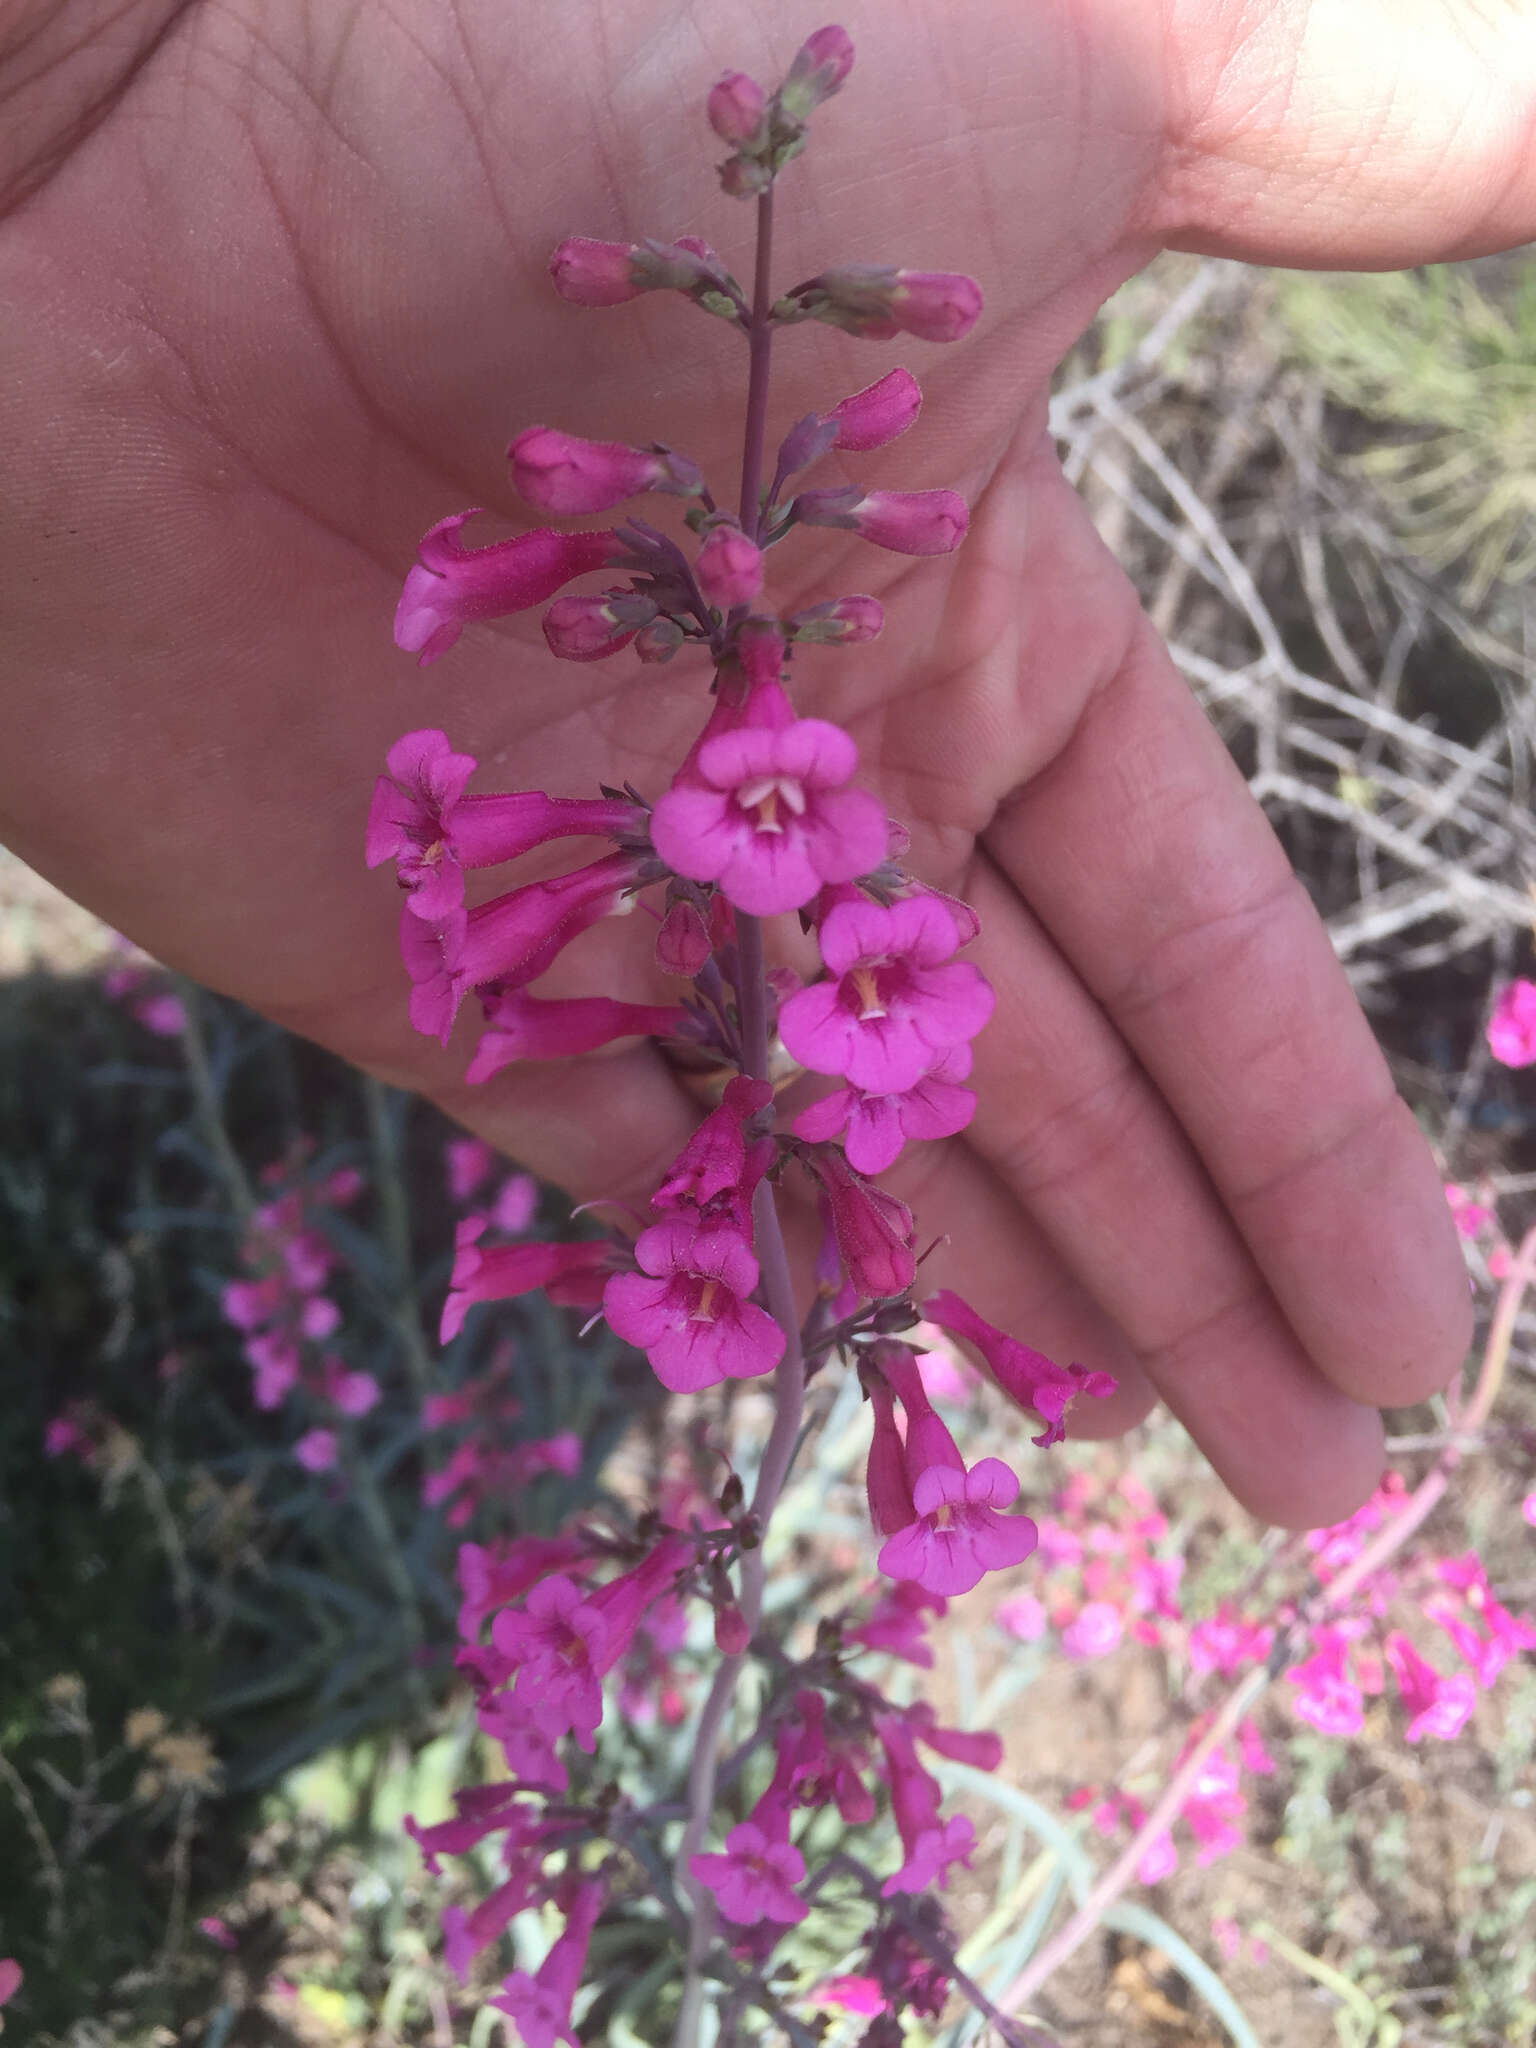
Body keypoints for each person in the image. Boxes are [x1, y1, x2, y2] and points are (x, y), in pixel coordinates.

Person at [3, 0, 1525, 1527]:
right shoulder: (789, 840)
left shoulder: (803, 849)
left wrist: (85, 76)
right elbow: (732, 752)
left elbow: (777, 800)